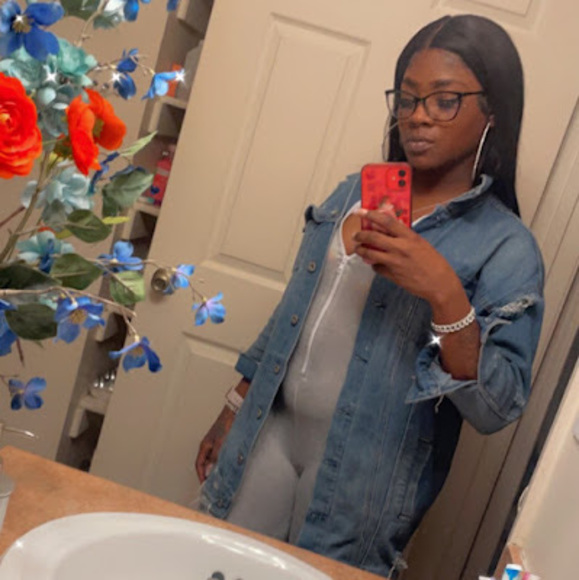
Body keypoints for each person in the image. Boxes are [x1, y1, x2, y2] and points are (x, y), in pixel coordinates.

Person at [195, 14, 545, 579]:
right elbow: (296, 312)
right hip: (269, 432)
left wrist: (445, 293)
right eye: (407, 99)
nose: (418, 117)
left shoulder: (505, 245)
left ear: (493, 112)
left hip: (364, 476)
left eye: (444, 101)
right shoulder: (356, 190)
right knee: (215, 566)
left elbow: (496, 408)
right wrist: (233, 407)